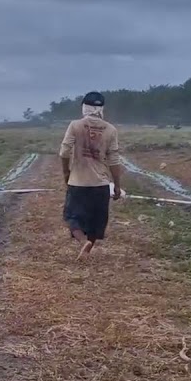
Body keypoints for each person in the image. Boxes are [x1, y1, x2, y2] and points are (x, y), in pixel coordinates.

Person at [60, 91, 124, 260]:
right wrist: (117, 186)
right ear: (102, 108)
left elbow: (64, 151)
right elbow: (114, 160)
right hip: (100, 184)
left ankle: (83, 242)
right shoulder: (111, 129)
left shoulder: (75, 126)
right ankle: (88, 248)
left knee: (72, 217)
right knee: (96, 221)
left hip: (78, 182)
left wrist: (66, 172)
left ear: (84, 107)